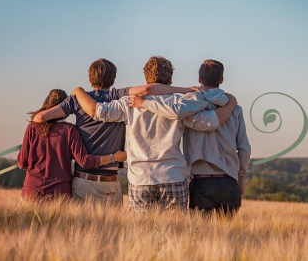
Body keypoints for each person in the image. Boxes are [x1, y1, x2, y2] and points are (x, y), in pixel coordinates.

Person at [73, 56, 237, 211]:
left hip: (141, 177)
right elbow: (208, 123)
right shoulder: (180, 102)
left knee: (141, 234)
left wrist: (79, 91)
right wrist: (231, 103)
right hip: (173, 176)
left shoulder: (128, 103)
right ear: (170, 80)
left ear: (146, 79)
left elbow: (98, 112)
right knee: (176, 233)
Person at [33, 58, 194, 205]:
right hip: (110, 180)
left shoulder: (77, 100)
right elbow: (146, 89)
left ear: (90, 79)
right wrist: (184, 89)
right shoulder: (117, 96)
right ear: (113, 79)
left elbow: (40, 118)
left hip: (83, 179)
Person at [132, 60, 251, 215]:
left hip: (201, 182)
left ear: (199, 79)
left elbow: (175, 111)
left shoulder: (188, 105)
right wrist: (241, 179)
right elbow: (244, 148)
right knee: (227, 237)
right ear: (221, 80)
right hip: (229, 182)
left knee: (201, 236)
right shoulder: (235, 109)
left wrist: (145, 103)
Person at [17, 89, 127, 201]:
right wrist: (113, 157)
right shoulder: (70, 130)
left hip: (31, 192)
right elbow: (84, 161)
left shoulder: (32, 127)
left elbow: (21, 163)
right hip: (59, 194)